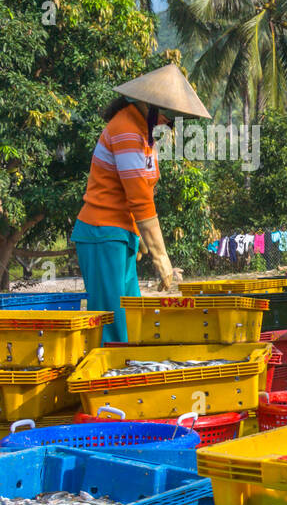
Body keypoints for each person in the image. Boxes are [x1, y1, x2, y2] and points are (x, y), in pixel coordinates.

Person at [72, 64, 209, 342]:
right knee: (112, 321)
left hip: (122, 234)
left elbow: (140, 190)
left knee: (131, 316)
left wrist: (140, 238)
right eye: (166, 116)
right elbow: (140, 198)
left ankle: (127, 370)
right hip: (102, 232)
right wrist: (161, 258)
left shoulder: (142, 135)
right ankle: (109, 378)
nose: (166, 123)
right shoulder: (126, 130)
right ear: (148, 106)